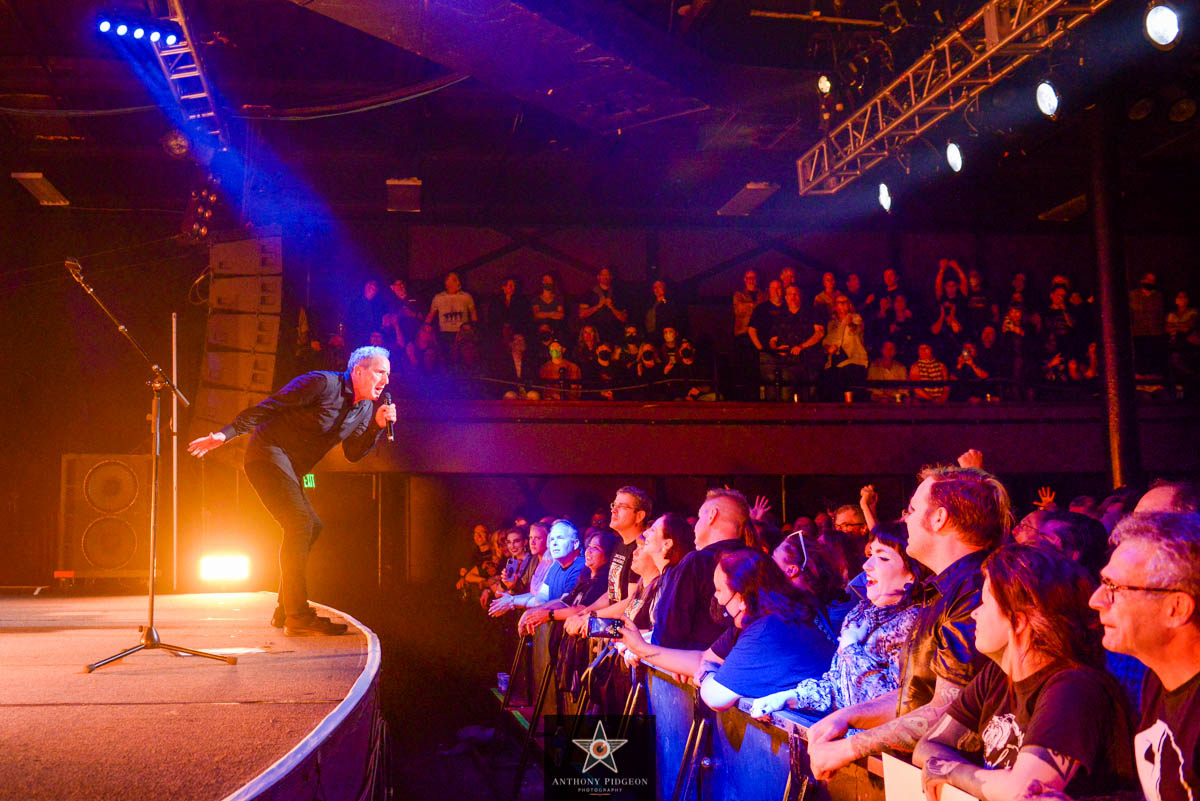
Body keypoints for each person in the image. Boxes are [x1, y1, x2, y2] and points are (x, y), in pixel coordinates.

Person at [804, 465, 1011, 779]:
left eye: (912, 510)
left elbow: (950, 710)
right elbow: (918, 696)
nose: (905, 520)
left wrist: (850, 747)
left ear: (939, 518)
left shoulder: (974, 590)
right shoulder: (943, 590)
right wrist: (848, 716)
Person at [187, 346, 397, 636]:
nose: (385, 380)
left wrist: (376, 426)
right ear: (358, 371)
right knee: (300, 523)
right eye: (379, 372)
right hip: (267, 454)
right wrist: (227, 433)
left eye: (388, 374)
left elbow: (353, 453)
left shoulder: (364, 410)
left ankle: (286, 610)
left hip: (291, 468)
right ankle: (297, 615)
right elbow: (270, 407)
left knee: (312, 526)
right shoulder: (322, 384)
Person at [913, 544, 1137, 800]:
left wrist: (951, 771)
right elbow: (927, 746)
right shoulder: (996, 675)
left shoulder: (1074, 688)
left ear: (1018, 622)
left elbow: (1023, 791)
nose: (975, 613)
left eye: (984, 602)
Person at [619, 548, 835, 710]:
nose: (717, 599)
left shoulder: (766, 629)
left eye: (720, 590)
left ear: (741, 597)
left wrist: (707, 675)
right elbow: (704, 659)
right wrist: (641, 648)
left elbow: (716, 697)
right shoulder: (786, 608)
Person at [749, 524, 924, 719]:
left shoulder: (916, 626)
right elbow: (838, 689)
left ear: (911, 575)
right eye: (870, 555)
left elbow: (890, 706)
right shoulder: (860, 612)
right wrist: (789, 697)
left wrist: (850, 648)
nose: (867, 565)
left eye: (882, 558)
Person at [652, 489, 751, 650]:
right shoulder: (761, 561)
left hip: (690, 663)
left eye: (699, 517)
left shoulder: (696, 562)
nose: (695, 526)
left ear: (712, 515)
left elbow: (667, 633)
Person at [563, 487, 650, 634]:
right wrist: (585, 612)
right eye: (614, 505)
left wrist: (591, 617)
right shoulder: (620, 546)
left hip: (634, 632)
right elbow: (612, 594)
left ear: (639, 516)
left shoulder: (641, 550)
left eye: (622, 506)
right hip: (617, 629)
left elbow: (632, 600)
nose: (614, 511)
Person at [515, 520, 587, 633]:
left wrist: (532, 611)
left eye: (560, 538)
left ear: (575, 543)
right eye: (552, 539)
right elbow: (542, 596)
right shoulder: (556, 565)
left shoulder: (581, 566)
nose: (554, 543)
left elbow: (564, 602)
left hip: (570, 630)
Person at [426, 272, 478, 352]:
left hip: (462, 333)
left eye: (455, 280)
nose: (453, 283)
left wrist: (472, 327)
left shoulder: (466, 297)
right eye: (450, 280)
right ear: (446, 283)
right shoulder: (438, 298)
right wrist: (425, 327)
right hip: (445, 333)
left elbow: (473, 315)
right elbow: (430, 315)